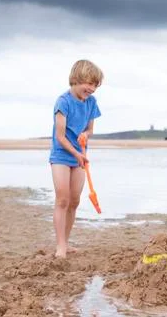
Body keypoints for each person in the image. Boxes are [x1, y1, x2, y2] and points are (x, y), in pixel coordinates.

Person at [49, 59, 103, 258]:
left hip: (80, 155)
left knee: (74, 201)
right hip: (62, 155)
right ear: (77, 79)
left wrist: (86, 136)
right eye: (89, 83)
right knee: (62, 200)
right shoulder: (63, 102)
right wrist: (76, 153)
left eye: (95, 85)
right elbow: (60, 137)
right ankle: (60, 246)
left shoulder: (91, 103)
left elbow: (89, 129)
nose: (92, 89)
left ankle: (67, 241)